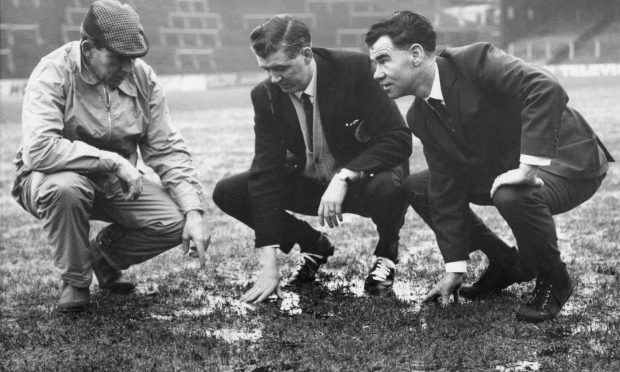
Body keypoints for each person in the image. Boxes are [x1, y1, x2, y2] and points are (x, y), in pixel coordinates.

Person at [365, 11, 613, 322]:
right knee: (421, 186)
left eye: (384, 60)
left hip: (567, 159)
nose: (377, 73)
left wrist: (527, 168)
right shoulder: (419, 116)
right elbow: (445, 187)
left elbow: (545, 88)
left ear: (415, 54)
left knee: (513, 191)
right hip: (503, 166)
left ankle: (554, 277)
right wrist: (454, 268)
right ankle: (505, 262)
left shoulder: (475, 60)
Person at [12, 0, 209, 313]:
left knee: (176, 221)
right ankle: (76, 282)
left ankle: (103, 259)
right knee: (66, 187)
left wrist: (194, 209)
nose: (128, 68)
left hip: (115, 183)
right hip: (50, 179)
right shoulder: (53, 72)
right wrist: (113, 161)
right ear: (89, 48)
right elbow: (39, 149)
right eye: (118, 58)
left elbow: (166, 148)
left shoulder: (143, 77)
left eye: (133, 58)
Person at [212, 14, 412, 303]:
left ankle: (386, 256)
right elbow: (265, 174)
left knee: (389, 186)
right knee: (229, 192)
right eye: (266, 69)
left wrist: (346, 175)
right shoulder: (265, 95)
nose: (274, 78)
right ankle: (313, 244)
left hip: (361, 182)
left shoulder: (354, 69)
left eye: (281, 67)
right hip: (310, 184)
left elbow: (398, 137)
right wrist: (269, 268)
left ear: (306, 54)